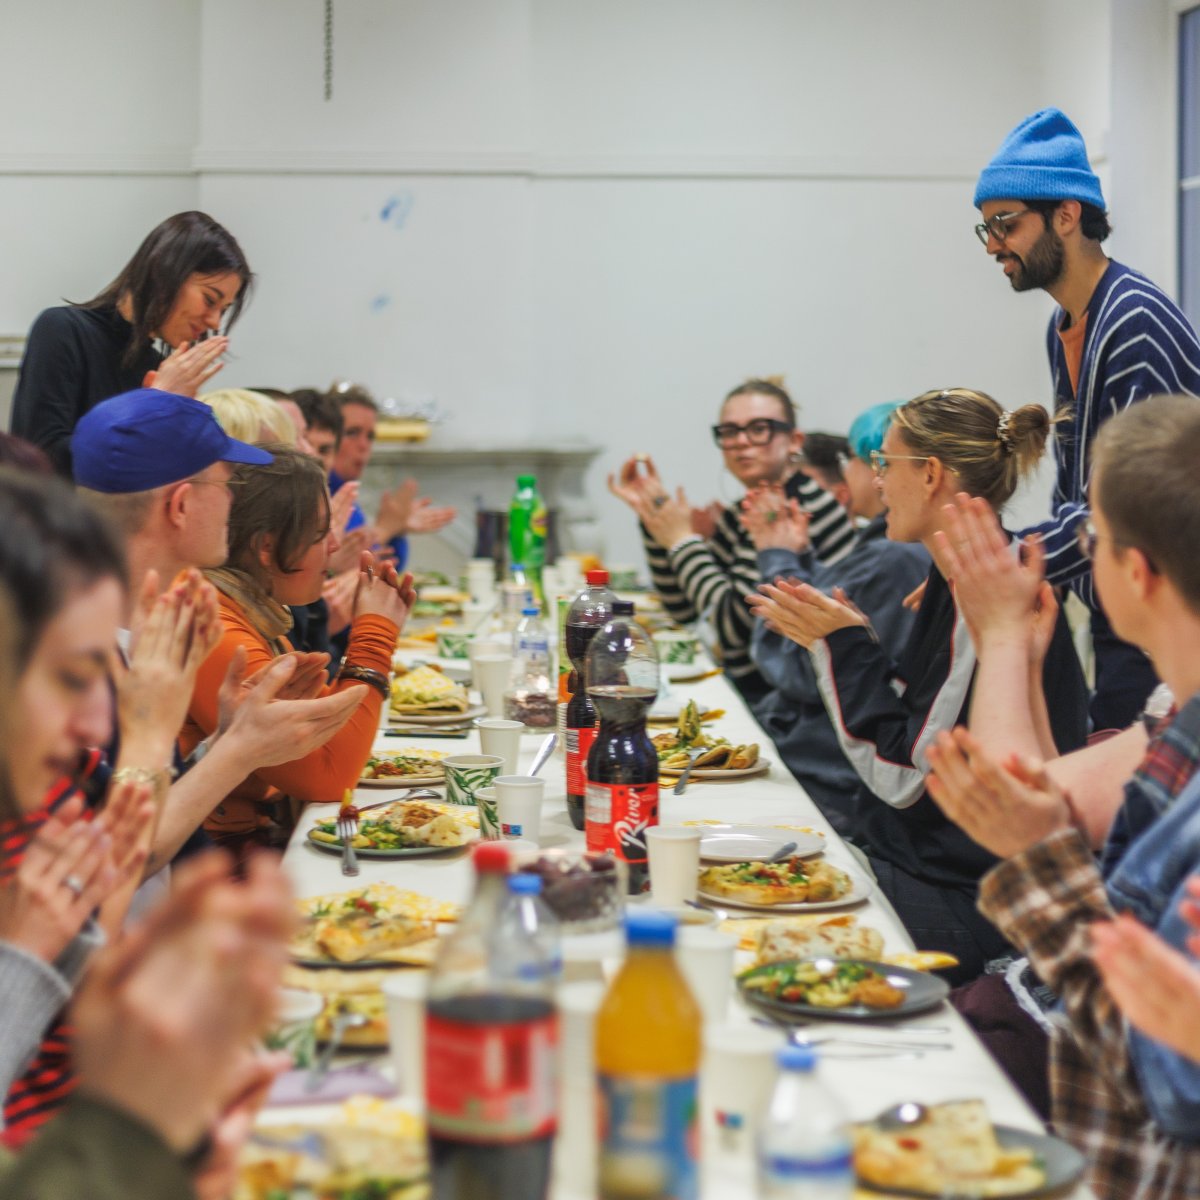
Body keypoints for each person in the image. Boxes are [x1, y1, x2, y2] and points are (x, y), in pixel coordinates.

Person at [925, 394, 1200, 1195]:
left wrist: (1000, 639)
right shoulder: (1178, 713)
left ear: (1135, 573)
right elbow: (1053, 805)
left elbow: (1168, 1077)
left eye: (1094, 539)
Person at [748, 388, 1088, 984]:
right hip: (923, 863)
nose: (876, 479)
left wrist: (840, 647)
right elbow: (920, 722)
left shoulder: (986, 592)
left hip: (964, 898)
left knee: (760, 929)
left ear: (930, 474)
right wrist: (853, 640)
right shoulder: (963, 572)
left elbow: (907, 777)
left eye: (884, 462)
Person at [71, 389, 370, 877]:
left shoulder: (133, 628)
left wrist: (225, 740)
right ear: (181, 505)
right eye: (226, 483)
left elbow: (150, 799)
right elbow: (105, 866)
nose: (235, 499)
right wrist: (240, 750)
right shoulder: (71, 663)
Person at [974, 107, 1200, 730]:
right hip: (1120, 608)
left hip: (1167, 609)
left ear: (1066, 216)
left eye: (1006, 224)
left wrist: (1003, 563)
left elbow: (1122, 508)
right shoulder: (1066, 324)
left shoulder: (1134, 321)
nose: (993, 245)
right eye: (986, 228)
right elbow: (1077, 489)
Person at [181, 445, 415, 855]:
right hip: (218, 863)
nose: (334, 546)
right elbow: (330, 775)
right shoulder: (213, 623)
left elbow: (329, 733)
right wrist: (375, 637)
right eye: (321, 533)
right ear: (266, 547)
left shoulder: (248, 609)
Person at [609, 378, 857, 708]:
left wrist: (681, 541)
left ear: (794, 441)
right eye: (729, 431)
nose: (741, 442)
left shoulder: (798, 509)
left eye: (759, 429)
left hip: (785, 702)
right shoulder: (748, 507)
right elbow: (684, 607)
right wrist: (656, 519)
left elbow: (732, 630)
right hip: (758, 690)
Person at [745, 402, 930, 832]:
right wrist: (796, 559)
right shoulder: (886, 549)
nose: (868, 478)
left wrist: (777, 558)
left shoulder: (895, 556)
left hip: (835, 778)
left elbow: (799, 667)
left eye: (871, 463)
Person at [9, 212, 252, 477]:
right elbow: (44, 457)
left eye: (223, 310)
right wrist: (154, 407)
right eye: (209, 299)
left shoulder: (158, 368)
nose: (215, 321)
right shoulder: (64, 329)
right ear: (166, 273)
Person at [328, 383, 457, 574]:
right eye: (352, 432)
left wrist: (397, 529)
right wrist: (385, 529)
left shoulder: (347, 496)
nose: (364, 445)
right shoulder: (318, 499)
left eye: (370, 436)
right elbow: (340, 575)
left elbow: (381, 570)